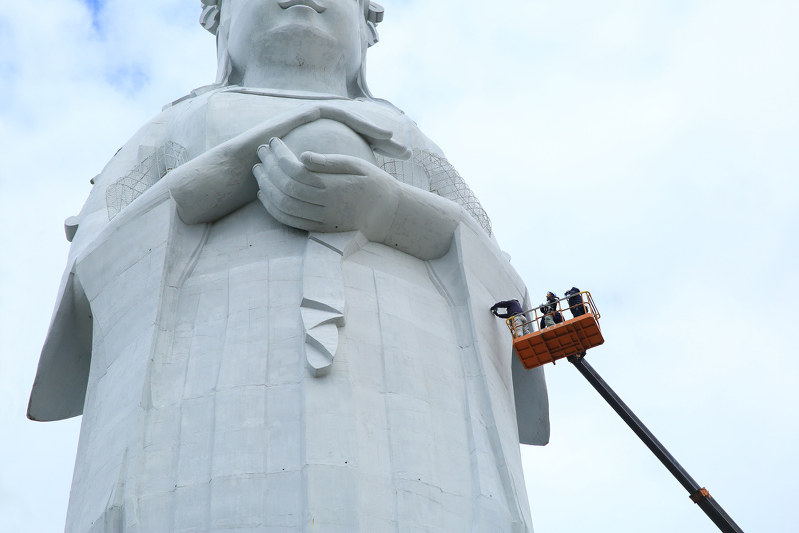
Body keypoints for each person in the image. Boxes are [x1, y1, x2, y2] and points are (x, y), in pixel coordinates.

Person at [28, 2, 549, 532]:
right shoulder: (179, 127)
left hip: (408, 394)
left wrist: (389, 210)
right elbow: (96, 261)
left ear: (369, 23)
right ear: (216, 15)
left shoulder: (403, 137)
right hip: (206, 389)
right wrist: (233, 170)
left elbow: (500, 283)